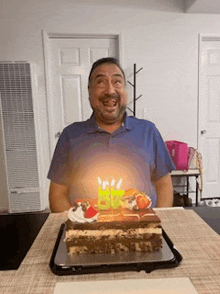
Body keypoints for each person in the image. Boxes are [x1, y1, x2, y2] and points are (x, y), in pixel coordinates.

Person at [48, 57, 175, 212]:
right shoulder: (70, 136)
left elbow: (164, 184)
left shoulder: (149, 131)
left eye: (117, 82)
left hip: (143, 229)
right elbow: (57, 194)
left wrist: (158, 222)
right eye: (100, 82)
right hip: (86, 232)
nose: (110, 90)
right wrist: (75, 225)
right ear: (89, 91)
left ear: (125, 91)